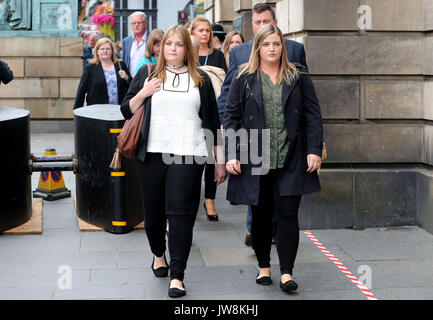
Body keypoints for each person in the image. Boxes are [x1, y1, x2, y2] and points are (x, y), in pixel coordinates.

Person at [119, 24, 227, 298]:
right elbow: (125, 109)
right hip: (152, 154)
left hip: (189, 154)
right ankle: (158, 253)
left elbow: (213, 123)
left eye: (179, 45)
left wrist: (220, 160)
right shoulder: (147, 73)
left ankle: (177, 276)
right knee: (154, 215)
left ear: (186, 49)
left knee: (181, 215)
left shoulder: (200, 79)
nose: (173, 49)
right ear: (161, 48)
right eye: (169, 44)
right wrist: (144, 92)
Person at [223, 23, 323, 293]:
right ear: (258, 47)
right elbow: (230, 118)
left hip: (291, 156)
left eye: (276, 44)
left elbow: (313, 114)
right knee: (261, 214)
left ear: (283, 47)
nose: (271, 49)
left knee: (289, 216)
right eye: (266, 44)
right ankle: (264, 267)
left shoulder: (298, 76)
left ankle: (287, 273)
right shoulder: (244, 77)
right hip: (256, 157)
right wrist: (231, 153)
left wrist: (314, 149)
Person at [217, 3, 309, 247]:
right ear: (252, 26)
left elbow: (306, 100)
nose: (261, 26)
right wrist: (226, 130)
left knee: (283, 195)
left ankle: (278, 233)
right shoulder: (239, 54)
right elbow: (229, 95)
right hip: (253, 139)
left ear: (275, 22)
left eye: (265, 21)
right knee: (257, 196)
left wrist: (315, 143)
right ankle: (258, 233)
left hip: (286, 138)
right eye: (256, 23)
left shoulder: (295, 51)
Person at [189, 15, 227, 221]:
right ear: (193, 32)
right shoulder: (189, 55)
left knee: (213, 154)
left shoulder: (218, 55)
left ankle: (210, 199)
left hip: (214, 108)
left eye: (207, 31)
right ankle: (192, 199)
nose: (204, 34)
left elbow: (226, 80)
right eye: (200, 30)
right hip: (194, 110)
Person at [74, 38, 131, 109]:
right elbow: (81, 92)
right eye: (102, 49)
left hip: (119, 110)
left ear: (112, 51)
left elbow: (132, 86)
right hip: (97, 112)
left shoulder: (121, 65)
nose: (105, 51)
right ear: (97, 51)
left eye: (108, 49)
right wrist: (77, 112)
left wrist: (127, 78)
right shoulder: (90, 68)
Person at [122, 11, 149, 78]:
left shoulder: (152, 39)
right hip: (130, 82)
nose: (136, 25)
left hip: (148, 80)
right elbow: (124, 63)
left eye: (139, 22)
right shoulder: (126, 41)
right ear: (131, 25)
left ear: (145, 24)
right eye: (133, 23)